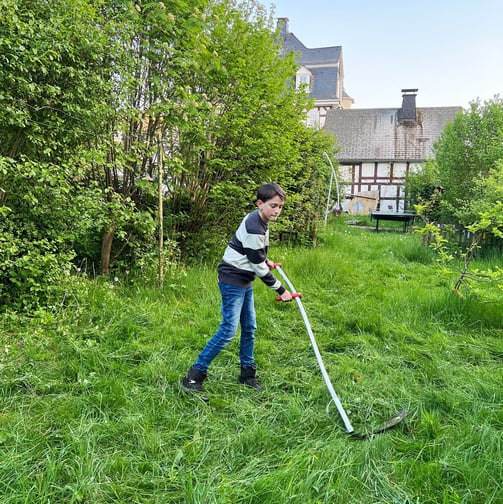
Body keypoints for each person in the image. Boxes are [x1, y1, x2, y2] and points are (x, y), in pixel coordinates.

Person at [181, 183, 293, 401]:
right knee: (228, 331)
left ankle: (247, 375)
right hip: (232, 280)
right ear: (259, 204)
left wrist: (264, 259)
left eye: (280, 207)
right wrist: (281, 289)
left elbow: (254, 253)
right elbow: (257, 267)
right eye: (273, 206)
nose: (277, 211)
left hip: (244, 279)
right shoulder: (254, 225)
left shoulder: (260, 220)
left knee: (249, 327)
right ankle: (193, 378)